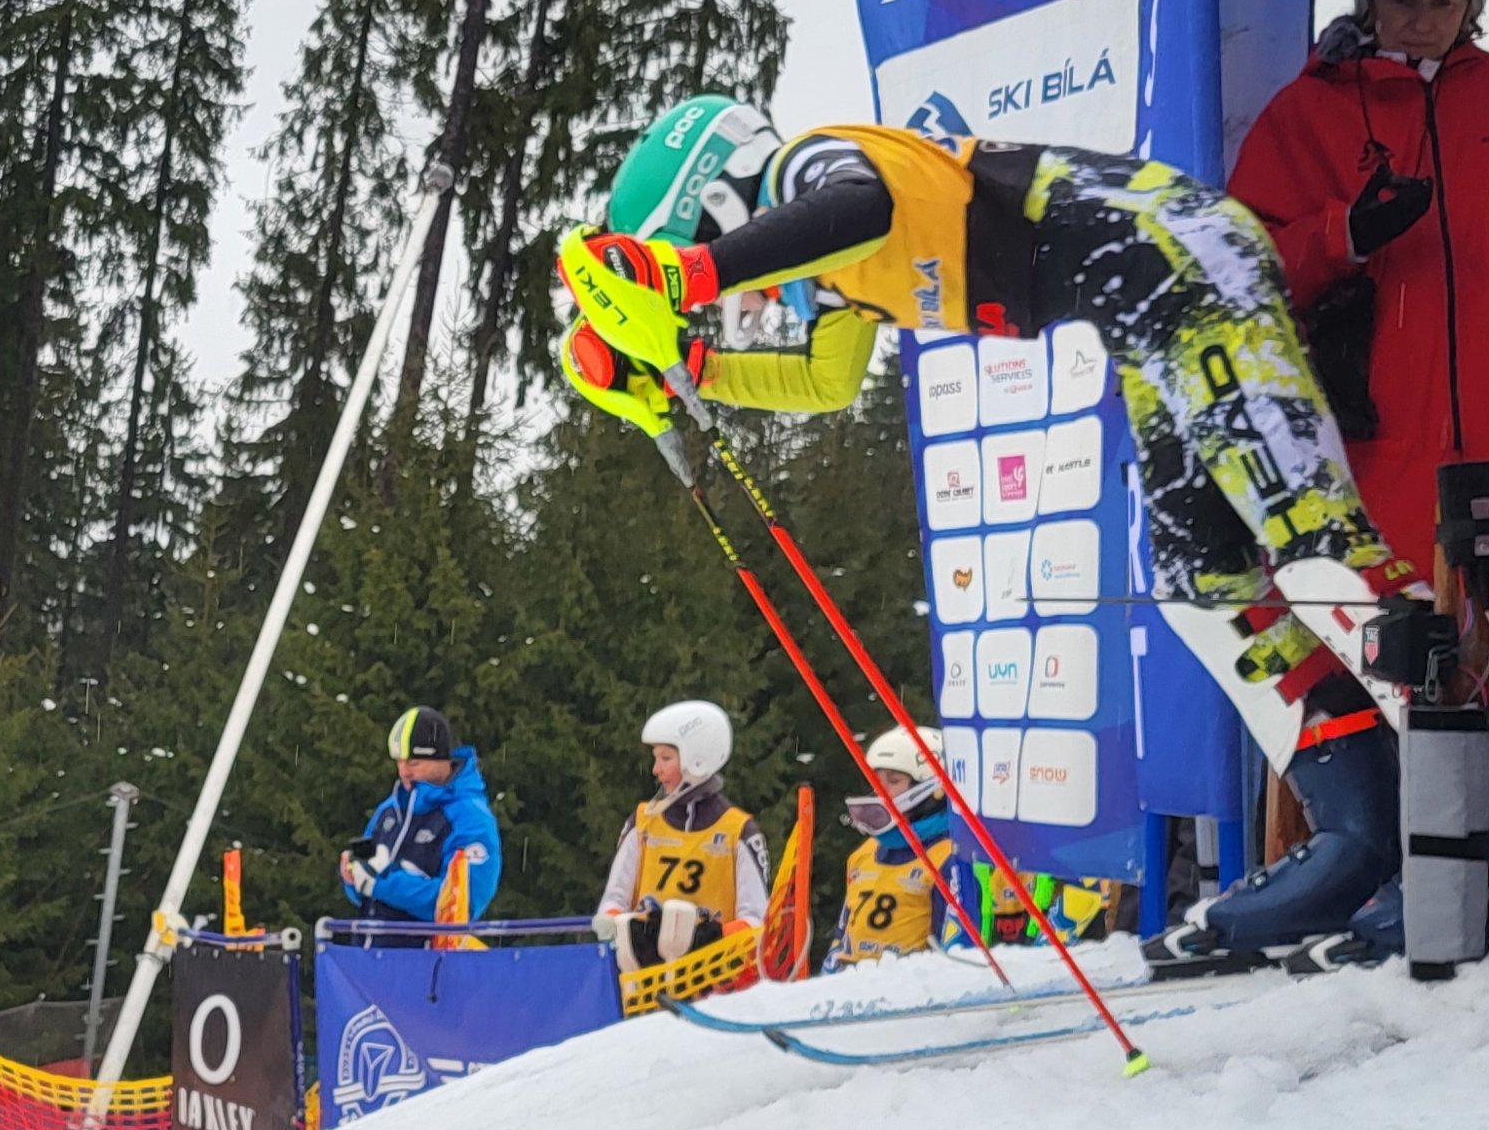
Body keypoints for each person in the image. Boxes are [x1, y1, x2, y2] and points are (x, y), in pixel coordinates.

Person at [555, 98, 1426, 969]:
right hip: (1145, 309)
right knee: (1204, 587)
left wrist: (692, 273)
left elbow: (864, 207)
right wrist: (693, 370)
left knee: (1318, 551)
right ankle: (1358, 834)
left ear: (718, 199)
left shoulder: (812, 166)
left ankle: (1471, 838)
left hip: (1185, 262)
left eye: (711, 254)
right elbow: (825, 383)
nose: (734, 296)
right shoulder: (828, 273)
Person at [1226, 0, 1489, 606]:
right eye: (1404, 0)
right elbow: (1237, 275)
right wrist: (1344, 235)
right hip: (1371, 442)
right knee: (1386, 636)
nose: (1424, 19)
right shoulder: (1307, 111)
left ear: (1472, 6)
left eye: (1444, 3)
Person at [593, 700, 772, 974]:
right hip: (644, 980)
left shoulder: (739, 832)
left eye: (666, 758)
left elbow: (756, 922)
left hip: (714, 981)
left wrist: (711, 939)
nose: (656, 770)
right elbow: (613, 902)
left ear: (696, 760)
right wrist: (627, 930)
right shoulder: (643, 823)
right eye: (656, 758)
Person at [340, 706, 501, 924]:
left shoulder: (470, 818)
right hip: (370, 943)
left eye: (413, 763)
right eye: (399, 762)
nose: (404, 772)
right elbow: (366, 889)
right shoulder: (389, 809)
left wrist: (383, 882)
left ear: (441, 760)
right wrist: (354, 875)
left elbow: (461, 905)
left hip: (427, 946)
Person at [822, 725, 954, 972]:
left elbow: (953, 951)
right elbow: (842, 938)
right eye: (876, 780)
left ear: (932, 787)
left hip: (910, 985)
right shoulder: (864, 853)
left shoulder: (949, 857)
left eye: (893, 781)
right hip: (854, 982)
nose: (880, 791)